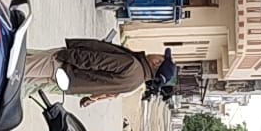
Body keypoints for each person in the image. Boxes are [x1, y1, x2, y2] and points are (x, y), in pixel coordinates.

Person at [23, 37, 173, 106]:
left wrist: (65, 55)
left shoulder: (132, 65)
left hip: (64, 65)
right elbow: (109, 93)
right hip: (68, 80)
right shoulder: (135, 83)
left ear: (157, 62)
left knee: (20, 68)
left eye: (161, 56)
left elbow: (94, 60)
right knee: (22, 80)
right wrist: (92, 98)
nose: (157, 53)